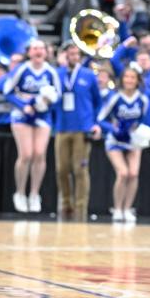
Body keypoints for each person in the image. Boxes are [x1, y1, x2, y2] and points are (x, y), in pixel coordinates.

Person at [3, 39, 61, 213]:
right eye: (35, 48)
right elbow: (7, 91)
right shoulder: (22, 69)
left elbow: (57, 96)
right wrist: (23, 105)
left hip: (42, 117)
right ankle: (20, 192)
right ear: (29, 52)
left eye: (41, 48)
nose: (38, 51)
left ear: (46, 52)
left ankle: (35, 194)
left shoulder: (51, 72)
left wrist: (46, 104)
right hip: (22, 115)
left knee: (39, 153)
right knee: (26, 154)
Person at [55, 43, 102, 220]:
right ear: (64, 55)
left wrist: (95, 123)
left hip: (83, 128)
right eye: (69, 54)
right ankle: (66, 203)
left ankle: (81, 207)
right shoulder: (57, 74)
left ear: (80, 56)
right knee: (61, 169)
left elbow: (98, 102)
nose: (73, 57)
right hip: (62, 126)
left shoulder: (89, 75)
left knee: (80, 169)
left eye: (76, 54)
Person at [97, 66, 149, 223]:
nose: (129, 80)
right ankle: (117, 209)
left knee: (133, 174)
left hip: (133, 141)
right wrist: (114, 129)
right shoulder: (115, 98)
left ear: (138, 81)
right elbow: (100, 119)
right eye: (126, 77)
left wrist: (138, 133)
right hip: (115, 140)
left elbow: (142, 121)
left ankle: (127, 208)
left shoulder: (142, 100)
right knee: (123, 173)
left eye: (133, 78)